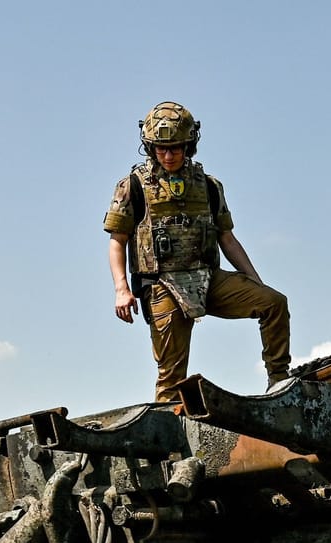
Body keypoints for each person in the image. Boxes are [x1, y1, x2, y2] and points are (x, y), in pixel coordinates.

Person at [104, 101, 291, 402]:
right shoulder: (133, 186)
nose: (168, 155)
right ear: (149, 147)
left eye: (175, 148)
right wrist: (121, 289)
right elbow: (118, 240)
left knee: (274, 303)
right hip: (162, 283)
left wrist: (254, 279)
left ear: (189, 145)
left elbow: (227, 239)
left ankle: (280, 382)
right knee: (172, 376)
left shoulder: (208, 186)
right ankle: (167, 443)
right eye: (160, 148)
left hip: (208, 278)